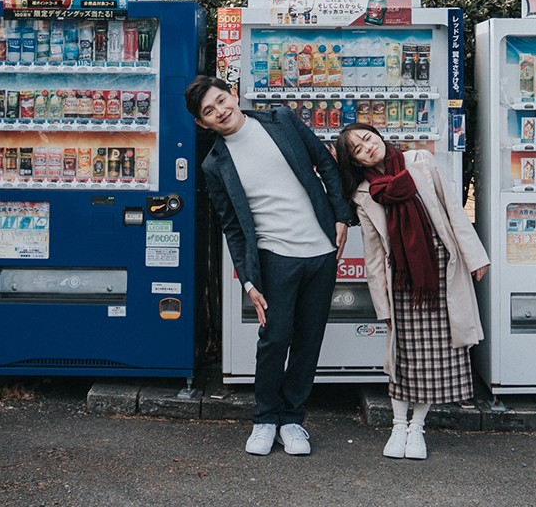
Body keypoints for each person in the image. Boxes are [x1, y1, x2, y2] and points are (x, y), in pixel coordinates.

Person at [186, 75, 352, 456]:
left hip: (322, 250)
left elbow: (324, 163)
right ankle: (265, 418)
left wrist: (341, 216)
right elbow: (231, 226)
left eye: (220, 101)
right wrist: (248, 281)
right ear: (202, 123)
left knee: (310, 339)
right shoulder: (214, 164)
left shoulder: (281, 119)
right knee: (275, 339)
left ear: (234, 94)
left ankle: (292, 418)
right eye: (208, 112)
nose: (220, 112)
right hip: (274, 256)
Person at [335, 122, 489, 461]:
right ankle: (397, 425)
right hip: (401, 281)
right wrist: (382, 307)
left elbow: (453, 210)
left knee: (437, 357)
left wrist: (475, 257)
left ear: (376, 134)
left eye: (366, 138)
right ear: (356, 163)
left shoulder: (419, 160)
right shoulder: (365, 193)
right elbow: (374, 255)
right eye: (357, 150)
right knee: (403, 358)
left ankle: (417, 427)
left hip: (439, 273)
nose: (367, 148)